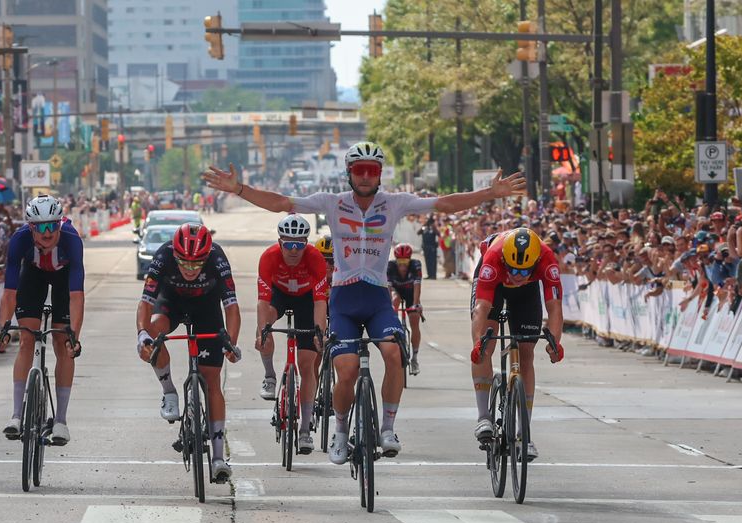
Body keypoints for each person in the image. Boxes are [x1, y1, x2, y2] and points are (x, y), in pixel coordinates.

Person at [202, 140, 526, 465]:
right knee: (347, 371)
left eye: (372, 171)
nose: (366, 177)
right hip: (343, 298)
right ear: (349, 173)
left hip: (376, 297)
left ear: (380, 174)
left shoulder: (395, 203)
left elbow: (443, 204)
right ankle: (340, 430)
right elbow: (280, 202)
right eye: (360, 171)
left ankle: (387, 428)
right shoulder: (332, 202)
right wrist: (240, 189)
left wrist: (488, 194)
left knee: (394, 353)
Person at [135, 223, 241, 482]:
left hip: (207, 308)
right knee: (153, 334)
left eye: (197, 264)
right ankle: (169, 392)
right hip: (170, 302)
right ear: (175, 254)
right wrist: (142, 335)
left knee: (212, 381)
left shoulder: (217, 257)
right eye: (184, 263)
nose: (190, 269)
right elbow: (145, 302)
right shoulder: (162, 256)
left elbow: (232, 307)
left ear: (206, 257)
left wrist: (231, 343)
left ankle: (218, 458)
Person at [0, 195, 84, 445]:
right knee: (25, 339)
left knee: (62, 343)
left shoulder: (72, 240)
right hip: (32, 275)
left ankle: (61, 421)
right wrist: (2, 329)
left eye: (53, 225)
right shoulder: (19, 240)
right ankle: (16, 416)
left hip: (64, 277)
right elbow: (9, 294)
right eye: (42, 227)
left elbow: (77, 296)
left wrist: (74, 335)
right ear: (31, 228)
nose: (48, 232)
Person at [469, 227, 564, 461]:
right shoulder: (493, 258)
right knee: (486, 345)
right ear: (504, 260)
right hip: (494, 287)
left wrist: (555, 342)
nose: (518, 275)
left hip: (526, 295)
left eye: (524, 270)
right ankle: (483, 417)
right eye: (513, 269)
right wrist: (477, 343)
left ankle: (525, 434)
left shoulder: (547, 259)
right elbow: (481, 307)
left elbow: (555, 307)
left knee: (526, 354)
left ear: (536, 261)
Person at [255, 215, 328, 454]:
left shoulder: (315, 258)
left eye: (300, 244)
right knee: (264, 328)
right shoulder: (269, 257)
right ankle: (269, 375)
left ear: (306, 243)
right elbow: (262, 302)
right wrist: (263, 330)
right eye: (289, 244)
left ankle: (305, 430)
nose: (294, 250)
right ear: (280, 242)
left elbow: (320, 302)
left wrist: (319, 332)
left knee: (307, 365)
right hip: (279, 294)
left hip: (306, 300)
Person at [386, 243, 423, 375]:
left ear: (409, 259)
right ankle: (395, 326)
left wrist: (415, 304)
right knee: (394, 301)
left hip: (410, 292)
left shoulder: (416, 265)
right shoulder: (390, 266)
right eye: (400, 261)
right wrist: (389, 308)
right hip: (397, 291)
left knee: (414, 319)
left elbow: (417, 286)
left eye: (405, 261)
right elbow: (389, 289)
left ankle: (414, 358)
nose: (402, 265)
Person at [418, 215, 439, 279]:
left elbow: (438, 234)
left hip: (432, 247)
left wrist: (433, 227)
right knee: (427, 261)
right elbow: (418, 232)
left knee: (432, 261)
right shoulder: (424, 228)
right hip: (426, 247)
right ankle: (429, 274)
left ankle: (433, 275)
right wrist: (424, 225)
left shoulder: (433, 228)